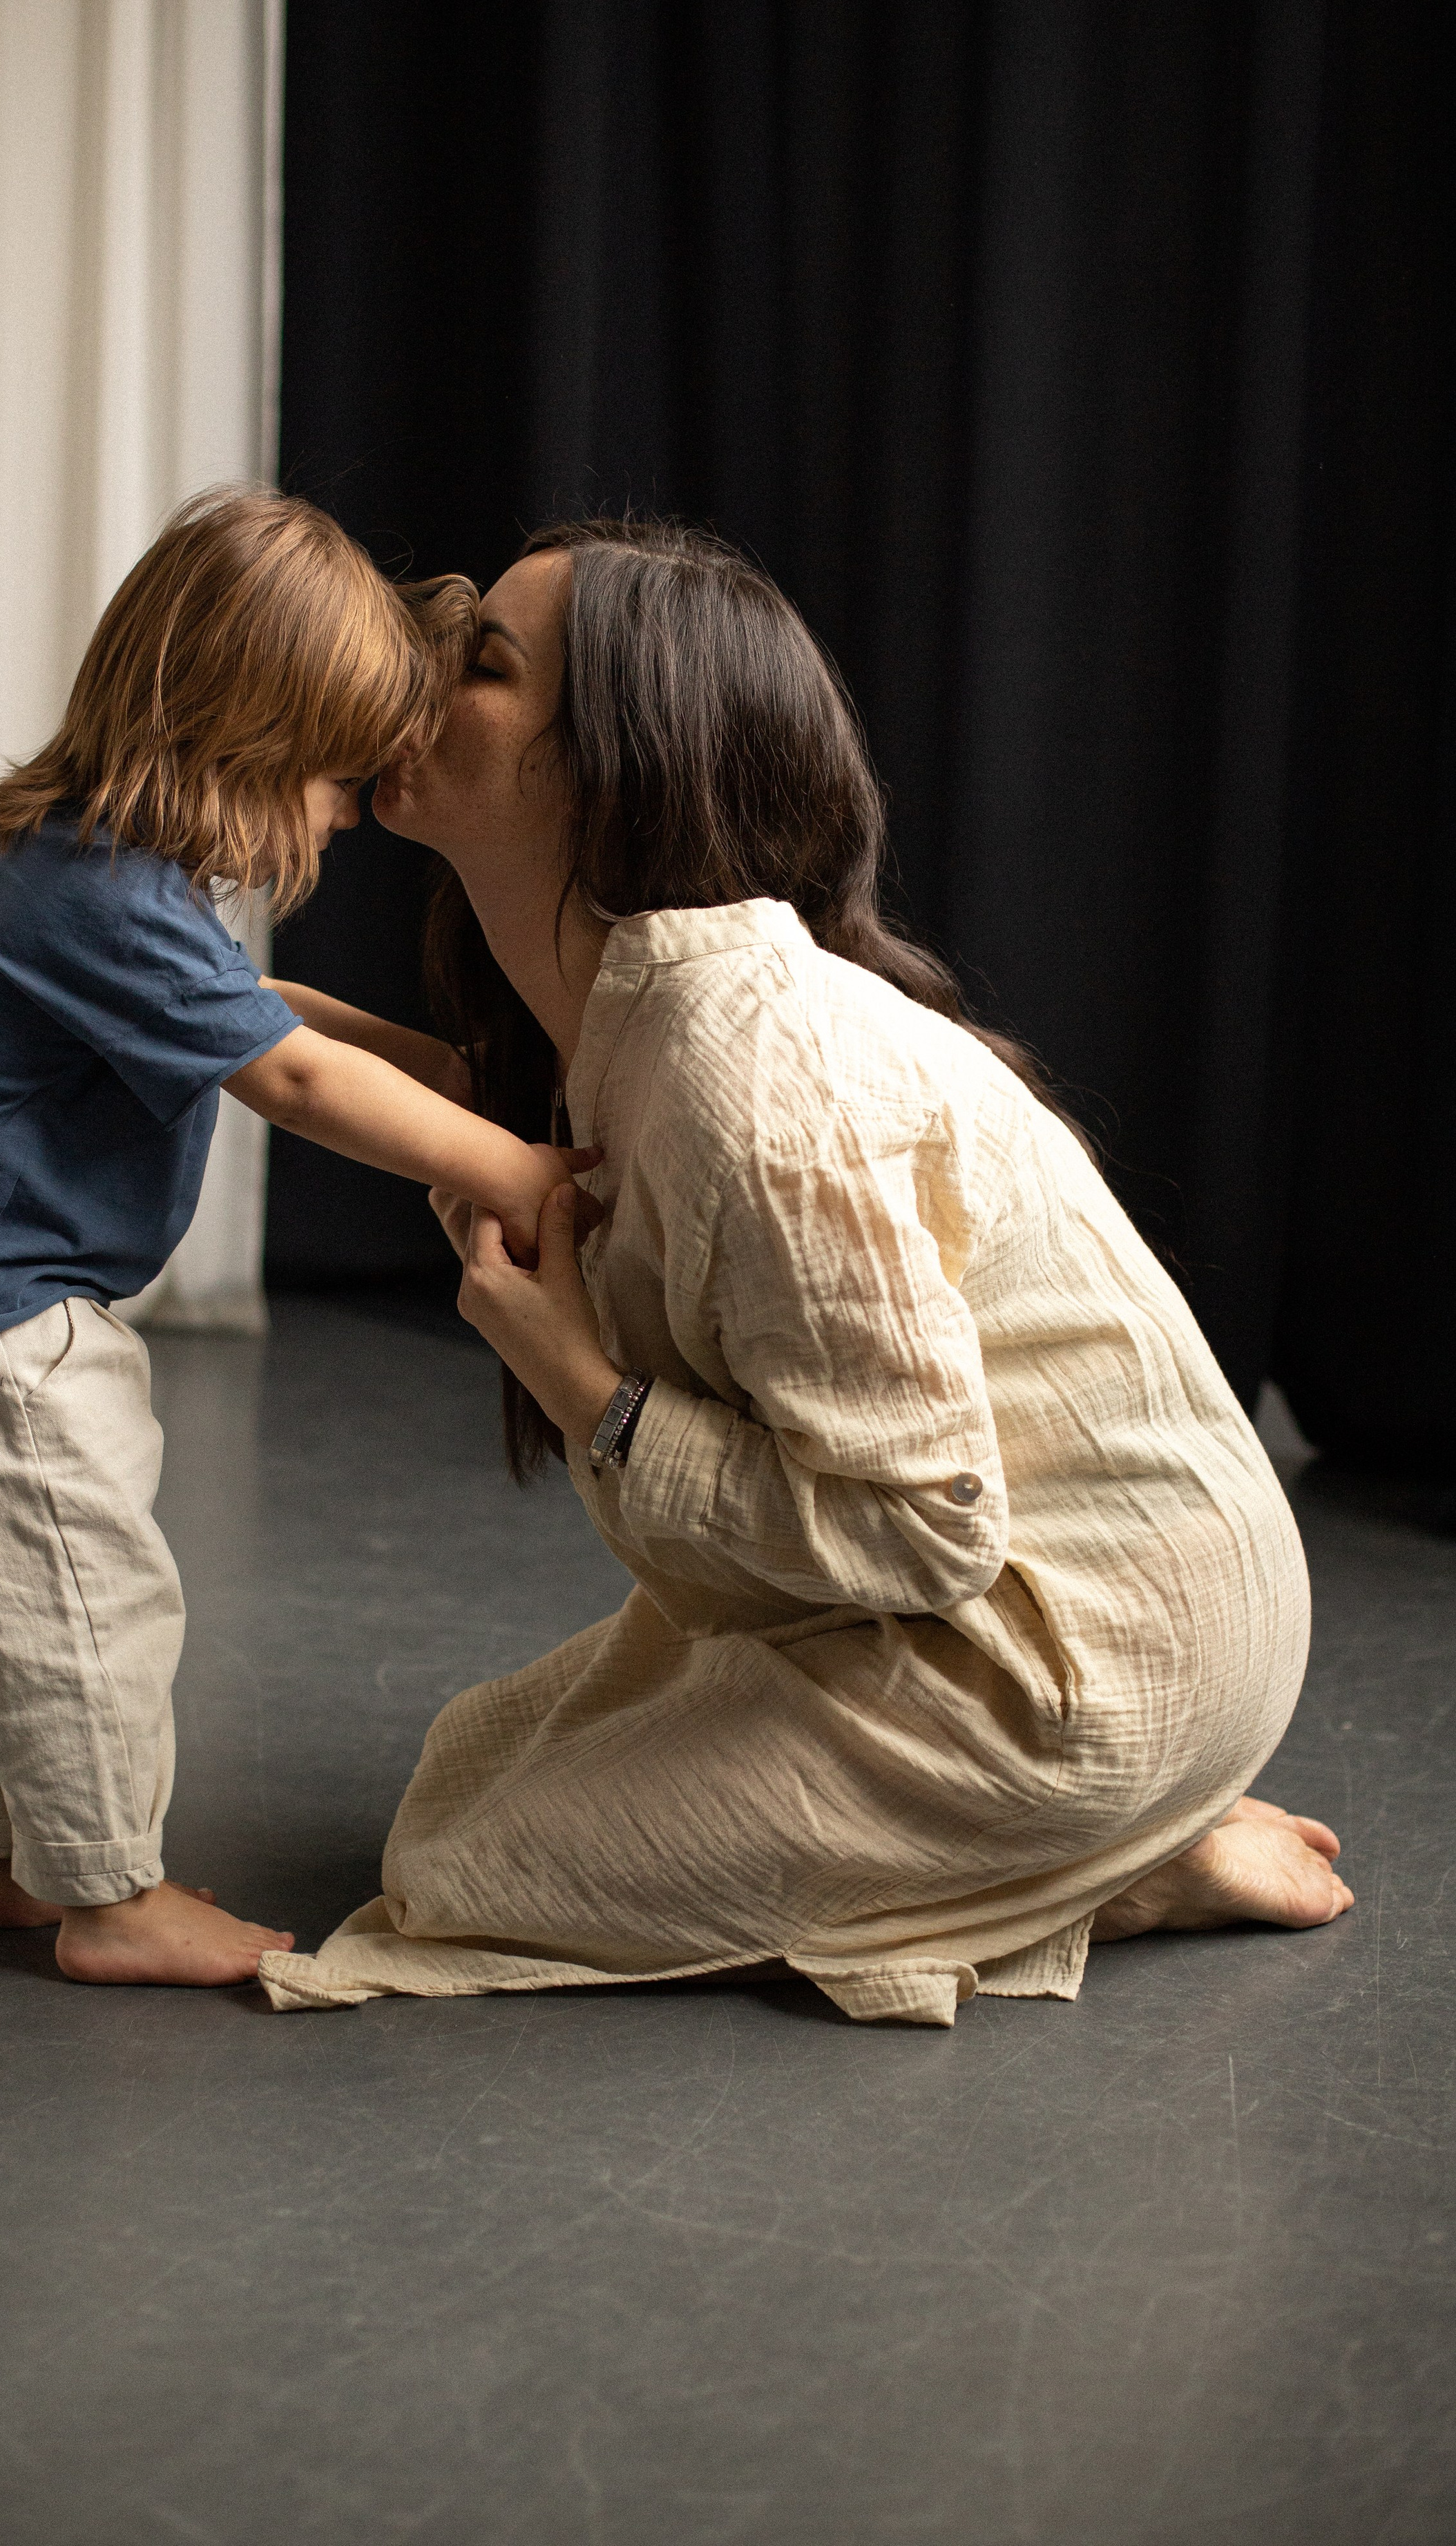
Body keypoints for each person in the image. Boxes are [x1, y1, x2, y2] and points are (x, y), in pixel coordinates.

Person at [260, 517, 1353, 2027]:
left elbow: (921, 1538)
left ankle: (1110, 1857)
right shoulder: (634, 1012)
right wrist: (175, 988)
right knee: (469, 1761)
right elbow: (449, 1100)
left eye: (485, 666)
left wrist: (578, 1381)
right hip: (991, 1609)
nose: (415, 674)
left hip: (1076, 1653)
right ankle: (1037, 1850)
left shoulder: (747, 1073)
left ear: (615, 768)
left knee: (468, 1866)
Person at [0, 489, 589, 1988]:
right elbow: (282, 1077)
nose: (347, 817)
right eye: (335, 780)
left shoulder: (78, 865)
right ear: (235, 740)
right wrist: (526, 1172)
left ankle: (31, 1871)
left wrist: (437, 1072)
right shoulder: (97, 893)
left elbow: (263, 1015)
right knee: (84, 1600)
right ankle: (112, 1900)